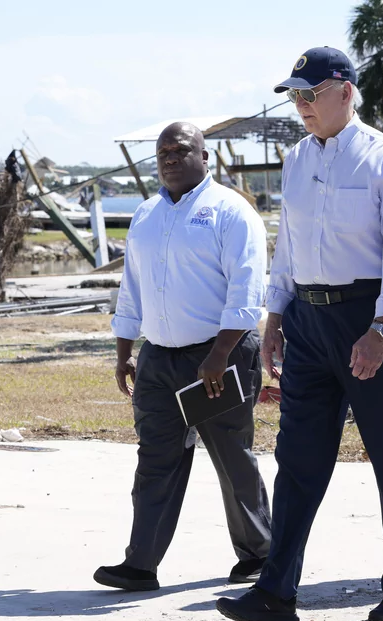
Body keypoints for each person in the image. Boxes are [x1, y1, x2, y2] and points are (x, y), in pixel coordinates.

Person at [215, 47, 383, 621]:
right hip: (306, 320)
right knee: (298, 460)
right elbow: (289, 246)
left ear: (345, 91)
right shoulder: (295, 160)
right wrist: (275, 318)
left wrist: (382, 329)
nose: (301, 106)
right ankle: (276, 592)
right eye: (295, 96)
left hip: (366, 320)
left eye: (310, 94)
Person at [95, 122, 272, 591]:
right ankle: (140, 564)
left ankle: (259, 554)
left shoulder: (230, 212)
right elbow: (131, 289)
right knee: (155, 459)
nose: (171, 158)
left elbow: (246, 291)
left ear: (205, 156)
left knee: (231, 458)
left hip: (217, 359)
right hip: (157, 360)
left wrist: (217, 356)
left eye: (181, 150)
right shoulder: (146, 214)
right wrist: (124, 350)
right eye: (163, 152)